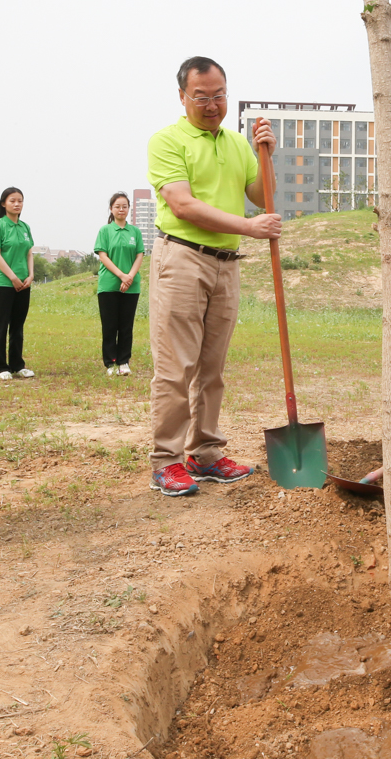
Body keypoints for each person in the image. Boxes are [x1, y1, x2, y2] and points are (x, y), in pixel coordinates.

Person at [145, 55, 278, 496]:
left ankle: (205, 453)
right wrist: (247, 228)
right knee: (175, 366)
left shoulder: (239, 145)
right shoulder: (167, 141)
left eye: (219, 95)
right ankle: (166, 459)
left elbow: (261, 196)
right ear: (182, 96)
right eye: (200, 96)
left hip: (226, 264)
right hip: (182, 258)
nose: (211, 104)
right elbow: (183, 205)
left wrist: (267, 155)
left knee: (212, 367)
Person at [94, 191, 145, 376]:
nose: (121, 209)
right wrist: (121, 276)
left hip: (132, 286)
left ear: (129, 209)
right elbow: (103, 256)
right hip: (109, 284)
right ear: (111, 209)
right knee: (109, 325)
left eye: (124, 206)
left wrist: (130, 276)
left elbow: (140, 255)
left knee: (126, 326)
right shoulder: (105, 231)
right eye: (117, 206)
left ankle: (124, 361)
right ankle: (110, 363)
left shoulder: (135, 232)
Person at [0, 187, 35, 380]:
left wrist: (30, 275)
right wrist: (13, 277)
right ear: (3, 204)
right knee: (1, 325)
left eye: (20, 201)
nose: (17, 204)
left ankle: (17, 364)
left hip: (24, 284)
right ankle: (0, 366)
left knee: (18, 325)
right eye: (12, 200)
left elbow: (29, 253)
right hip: (3, 283)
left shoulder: (25, 227)